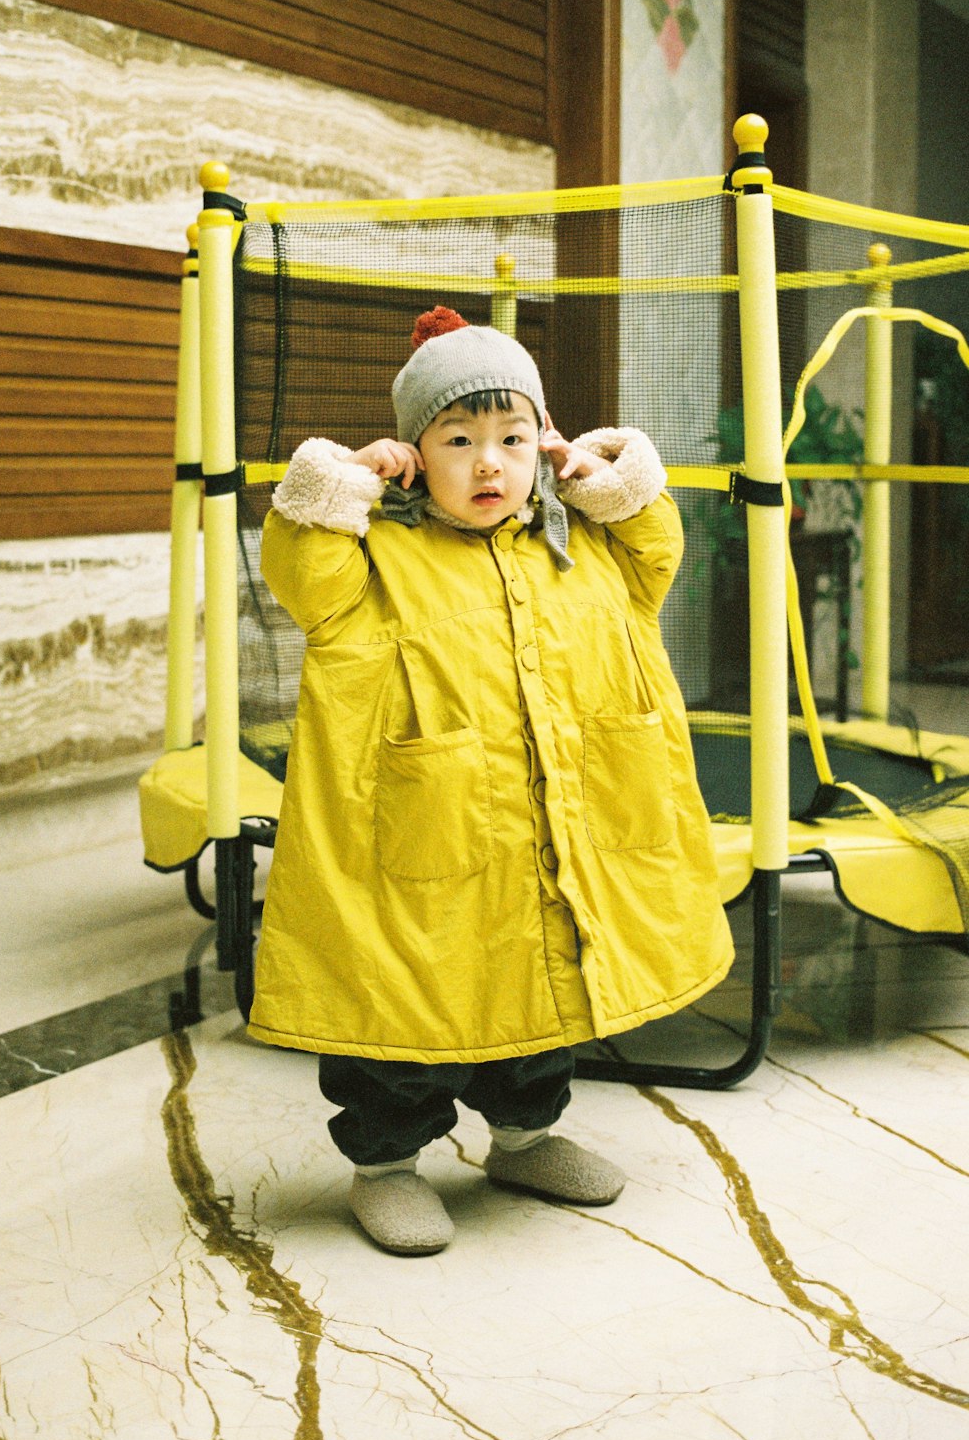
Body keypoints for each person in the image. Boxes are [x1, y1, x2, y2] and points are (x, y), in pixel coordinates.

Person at [250, 306, 733, 1255]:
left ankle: (525, 1135)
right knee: (402, 1004)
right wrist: (346, 481)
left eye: (514, 440)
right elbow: (301, 567)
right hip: (424, 837)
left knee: (547, 989)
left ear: (541, 447)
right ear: (415, 453)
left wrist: (607, 480)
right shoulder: (373, 562)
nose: (489, 466)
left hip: (555, 829)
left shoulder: (583, 552)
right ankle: (386, 1164)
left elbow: (657, 546)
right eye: (458, 440)